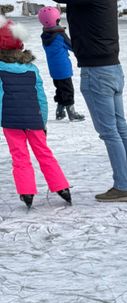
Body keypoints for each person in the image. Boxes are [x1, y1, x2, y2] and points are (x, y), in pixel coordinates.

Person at [63, 0, 127, 201]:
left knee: (110, 132)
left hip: (96, 71)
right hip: (113, 66)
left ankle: (123, 186)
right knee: (121, 128)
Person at [0, 16, 72, 208]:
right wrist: (43, 121)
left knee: (20, 156)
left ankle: (27, 192)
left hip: (11, 122)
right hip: (34, 120)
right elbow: (41, 97)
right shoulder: (31, 69)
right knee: (44, 153)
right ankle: (62, 187)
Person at [37, 6, 85, 120]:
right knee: (68, 89)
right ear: (57, 20)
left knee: (59, 88)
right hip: (63, 68)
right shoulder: (59, 35)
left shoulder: (45, 36)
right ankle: (71, 113)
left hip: (53, 68)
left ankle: (60, 111)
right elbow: (72, 46)